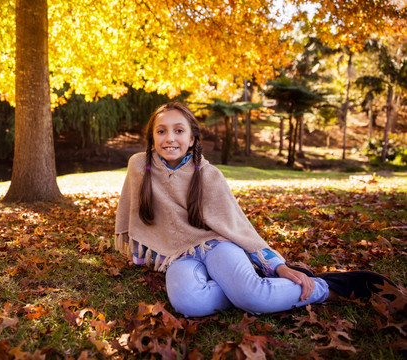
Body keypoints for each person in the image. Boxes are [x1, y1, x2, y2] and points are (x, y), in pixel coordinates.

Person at [114, 102, 396, 318]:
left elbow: (238, 227)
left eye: (179, 130)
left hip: (217, 246)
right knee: (188, 303)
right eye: (161, 131)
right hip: (178, 257)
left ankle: (328, 287)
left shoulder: (208, 175)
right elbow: (133, 211)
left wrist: (278, 265)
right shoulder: (140, 165)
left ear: (191, 139)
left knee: (254, 297)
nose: (169, 138)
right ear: (151, 138)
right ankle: (245, 288)